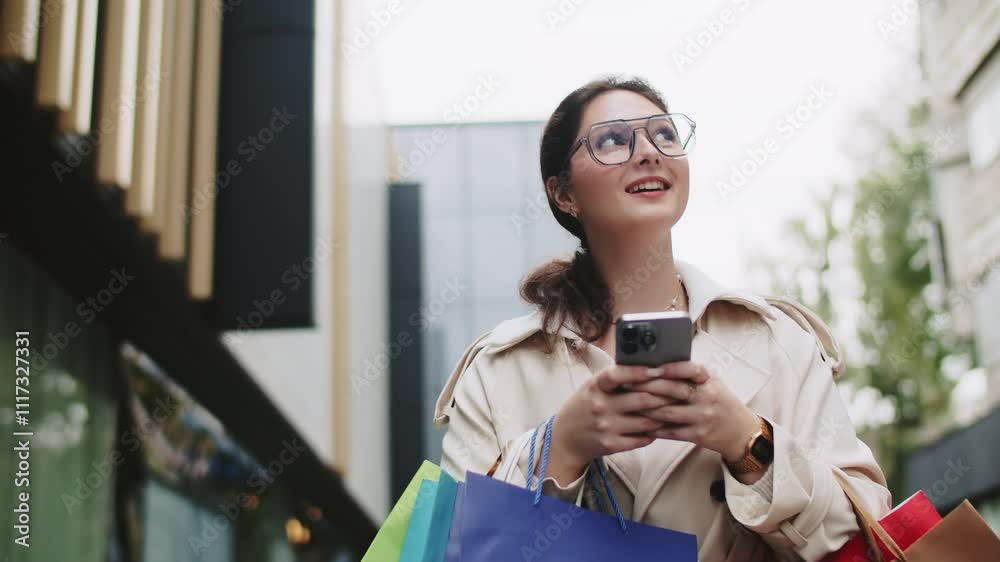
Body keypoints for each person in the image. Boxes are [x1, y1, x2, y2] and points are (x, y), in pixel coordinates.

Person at [434, 76, 891, 561]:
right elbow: (455, 549)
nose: (648, 151)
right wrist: (562, 446)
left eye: (664, 135)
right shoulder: (498, 369)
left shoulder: (777, 341)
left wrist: (747, 440)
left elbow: (866, 530)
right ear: (563, 194)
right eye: (612, 140)